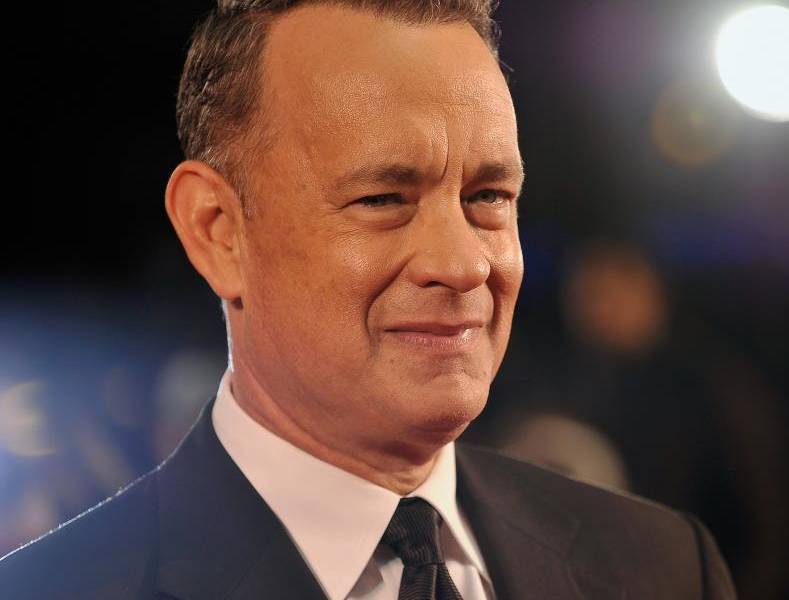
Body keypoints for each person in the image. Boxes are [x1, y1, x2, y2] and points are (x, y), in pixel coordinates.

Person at [0, 2, 736, 598]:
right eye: (383, 199)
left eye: (488, 196)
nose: (463, 264)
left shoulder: (664, 568)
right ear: (218, 230)